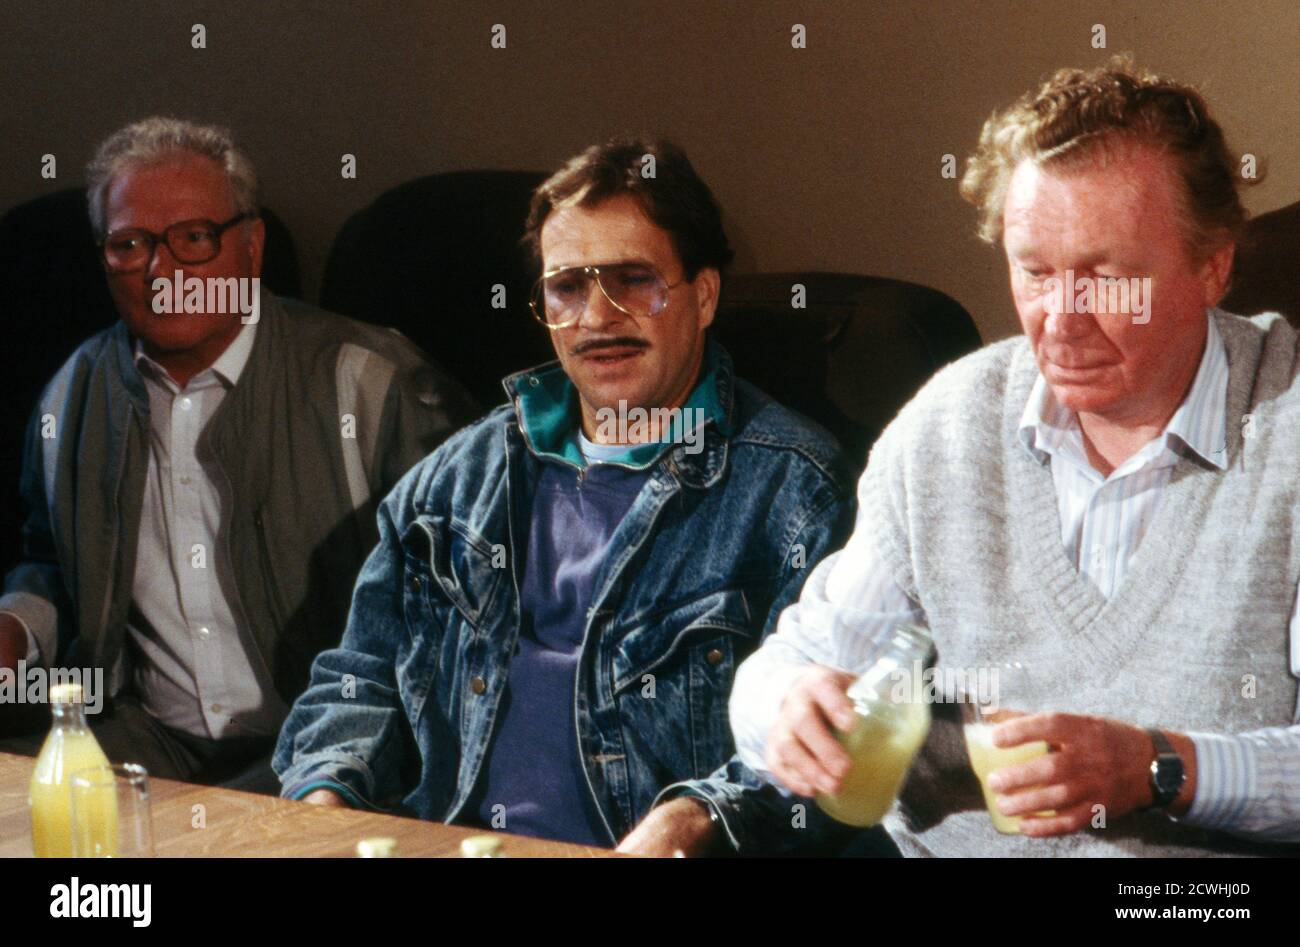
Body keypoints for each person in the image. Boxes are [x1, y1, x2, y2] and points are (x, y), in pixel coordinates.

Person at [730, 60, 1300, 854]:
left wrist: (1159, 766)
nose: (1059, 321)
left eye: (1106, 277)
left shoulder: (1287, 436)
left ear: (1214, 265)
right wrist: (788, 706)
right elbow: (792, 663)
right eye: (1033, 271)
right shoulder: (949, 425)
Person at [274, 137, 854, 855]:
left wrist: (697, 819)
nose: (597, 317)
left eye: (633, 280)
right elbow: (358, 678)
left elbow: (832, 747)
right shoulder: (455, 478)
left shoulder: (796, 490)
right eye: (568, 287)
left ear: (704, 295)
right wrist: (325, 798)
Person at [0, 117, 477, 789]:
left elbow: (472, 600)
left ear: (251, 248)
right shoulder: (72, 393)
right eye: (130, 244)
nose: (163, 271)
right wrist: (17, 629)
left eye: (194, 237)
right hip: (148, 740)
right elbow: (54, 559)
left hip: (327, 748)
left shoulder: (372, 383)